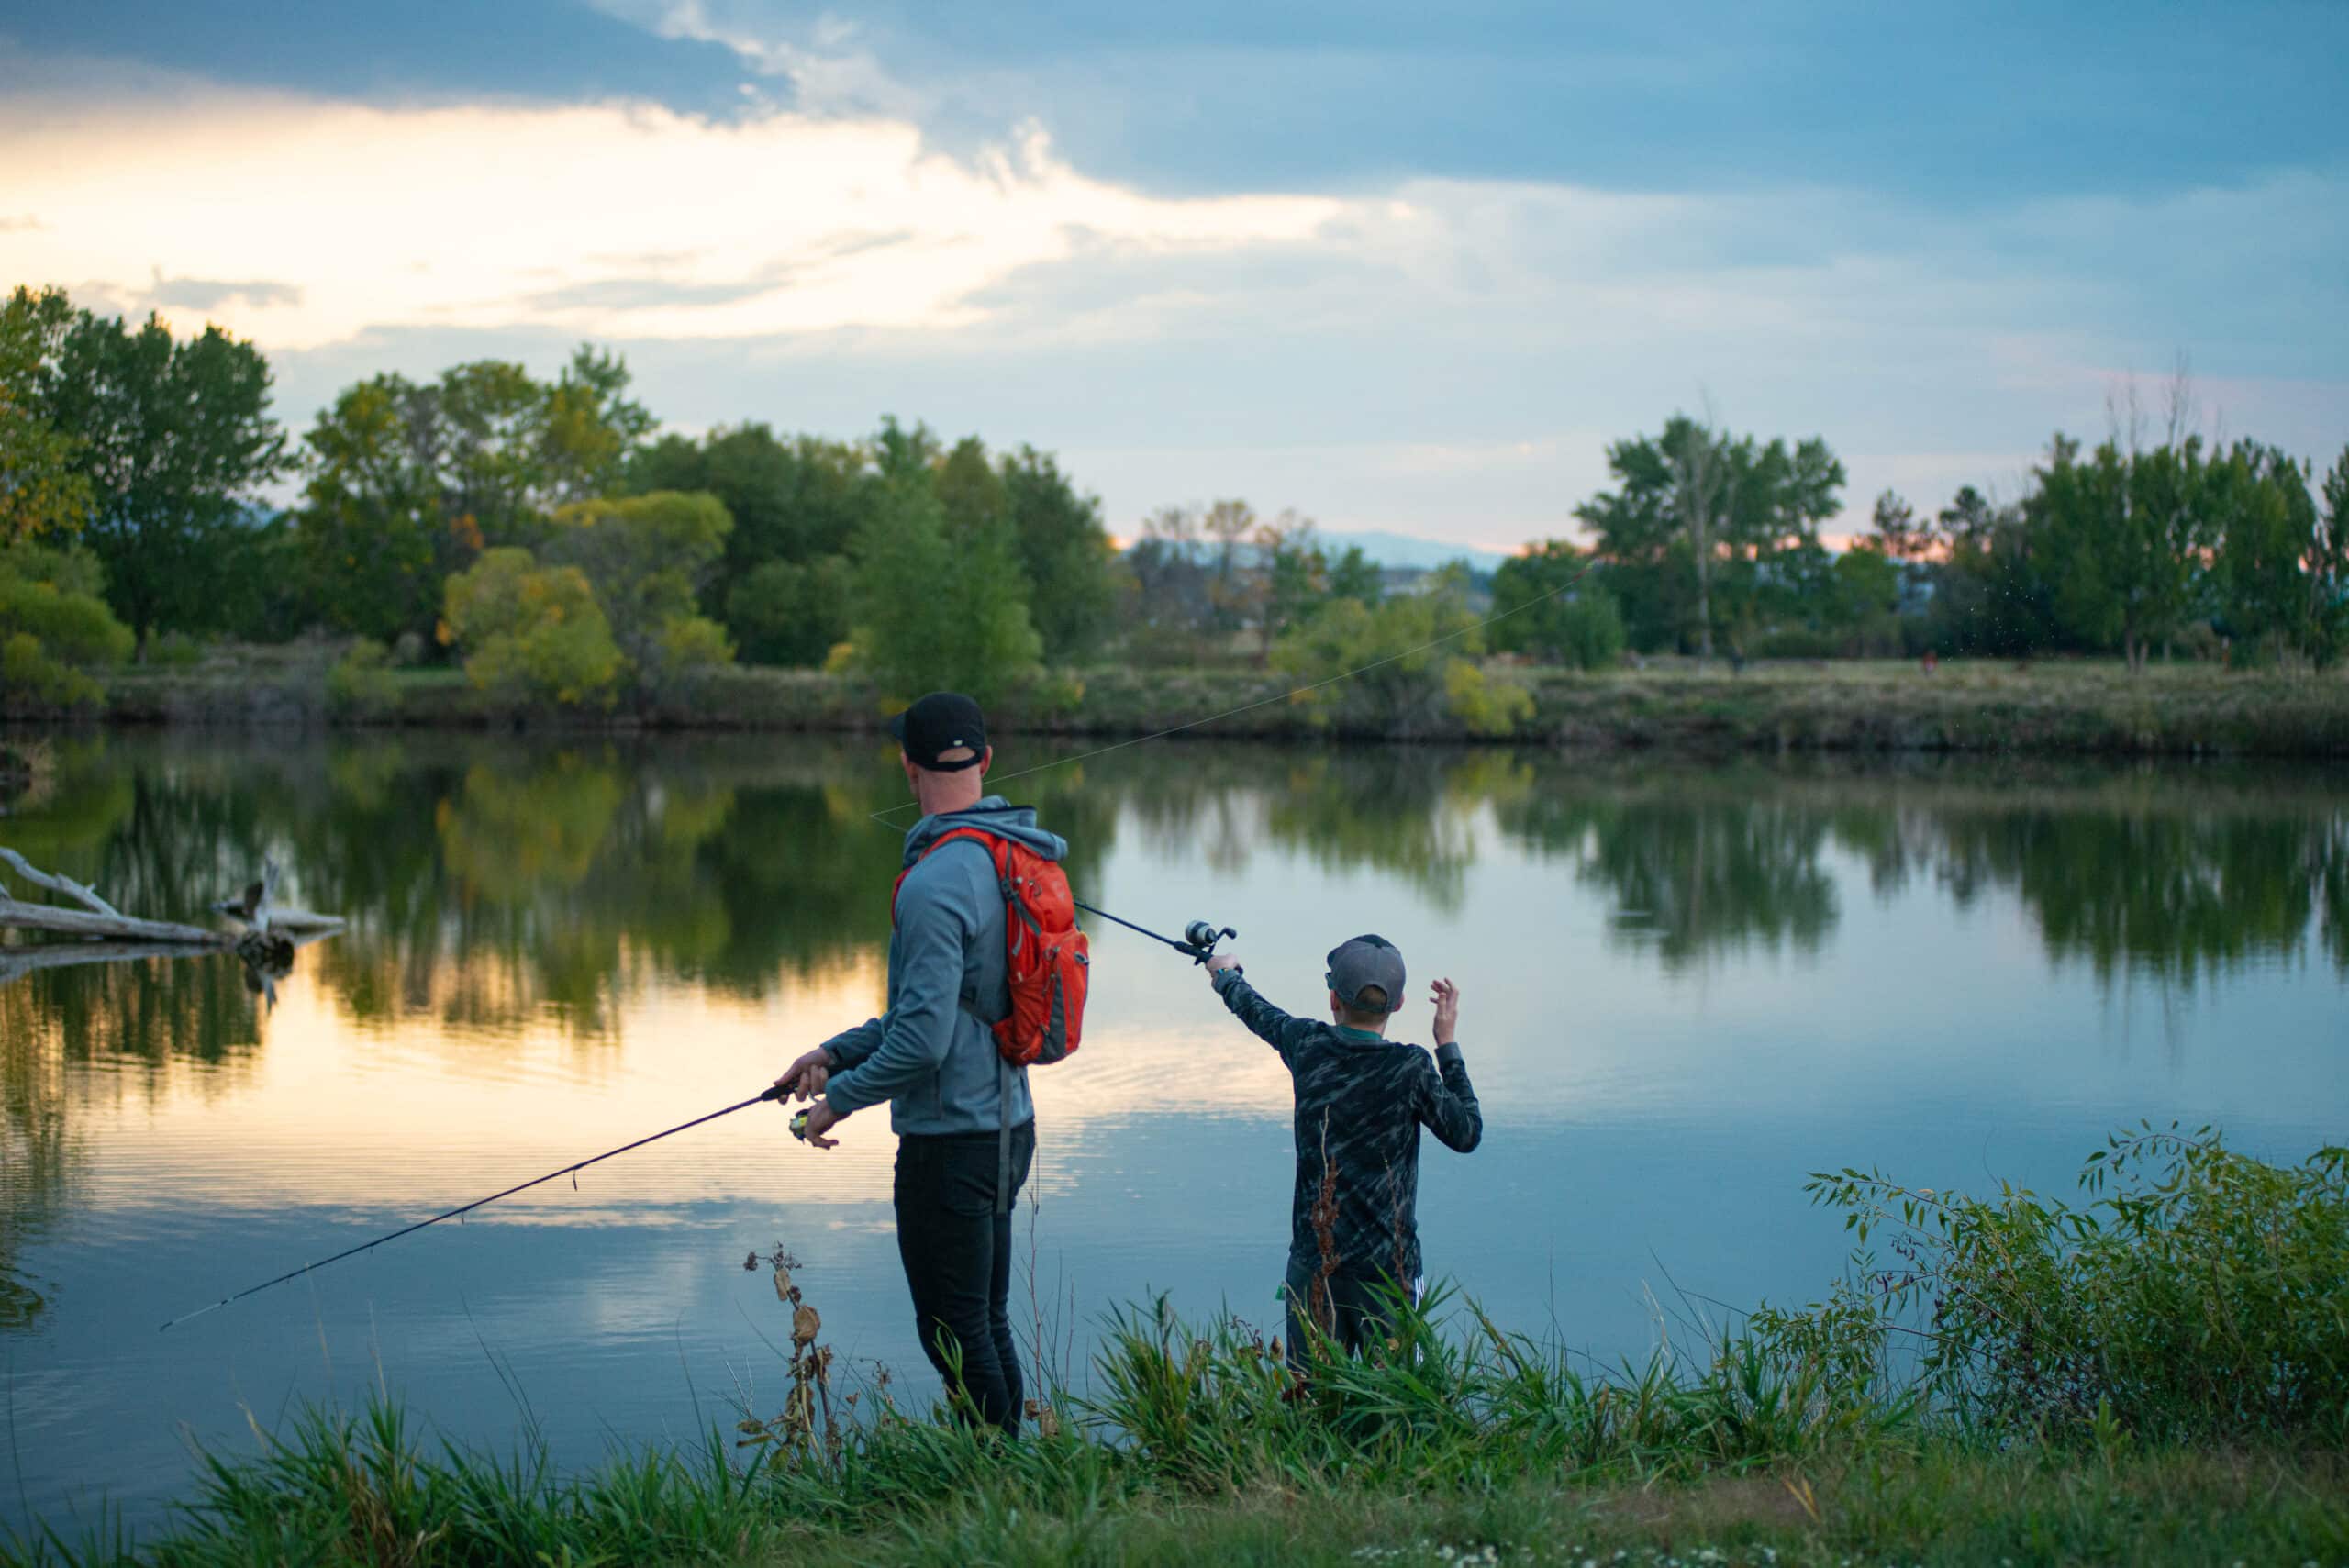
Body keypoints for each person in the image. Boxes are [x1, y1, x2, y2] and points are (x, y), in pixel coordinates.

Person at [774, 691, 1069, 1435]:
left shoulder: (936, 881)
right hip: (1010, 1127)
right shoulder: (1011, 855)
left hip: (952, 1143)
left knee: (952, 1328)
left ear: (907, 766)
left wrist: (837, 1099)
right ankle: (1006, 1470)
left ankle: (995, 1474)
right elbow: (934, 1012)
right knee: (982, 1319)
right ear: (986, 761)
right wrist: (834, 1052)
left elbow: (923, 1042)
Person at [1200, 934, 1481, 1360]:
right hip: (1391, 1275)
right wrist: (1447, 1045)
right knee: (1397, 1405)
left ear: (1333, 998)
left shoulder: (1308, 1046)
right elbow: (1467, 1134)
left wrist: (1224, 974)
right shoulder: (1411, 1067)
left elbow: (1256, 1011)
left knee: (1309, 1405)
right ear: (1400, 1003)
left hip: (1315, 1267)